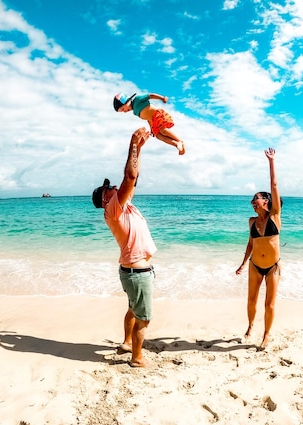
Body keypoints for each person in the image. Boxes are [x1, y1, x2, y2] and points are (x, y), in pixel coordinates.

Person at [92, 127, 157, 367]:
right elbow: (129, 178)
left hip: (134, 272)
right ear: (105, 198)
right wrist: (132, 143)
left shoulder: (123, 205)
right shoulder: (113, 210)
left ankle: (127, 343)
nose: (114, 188)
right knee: (144, 318)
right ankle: (137, 359)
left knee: (132, 309)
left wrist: (139, 149)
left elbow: (134, 178)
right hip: (137, 273)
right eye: (109, 188)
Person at [236, 147, 282, 350]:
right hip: (255, 265)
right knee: (251, 301)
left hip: (272, 267)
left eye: (257, 198)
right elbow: (250, 244)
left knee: (269, 304)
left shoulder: (275, 217)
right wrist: (243, 264)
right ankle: (250, 326)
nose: (253, 201)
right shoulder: (251, 221)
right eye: (252, 200)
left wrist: (271, 161)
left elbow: (273, 184)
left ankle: (266, 335)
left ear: (266, 201)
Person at [113, 92, 186, 155]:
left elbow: (151, 95)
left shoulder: (137, 99)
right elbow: (148, 119)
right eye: (122, 111)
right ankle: (176, 144)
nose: (125, 111)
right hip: (153, 120)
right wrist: (151, 128)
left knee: (163, 130)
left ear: (126, 101)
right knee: (158, 136)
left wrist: (162, 98)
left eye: (123, 109)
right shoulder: (135, 112)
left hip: (158, 114)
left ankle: (179, 141)